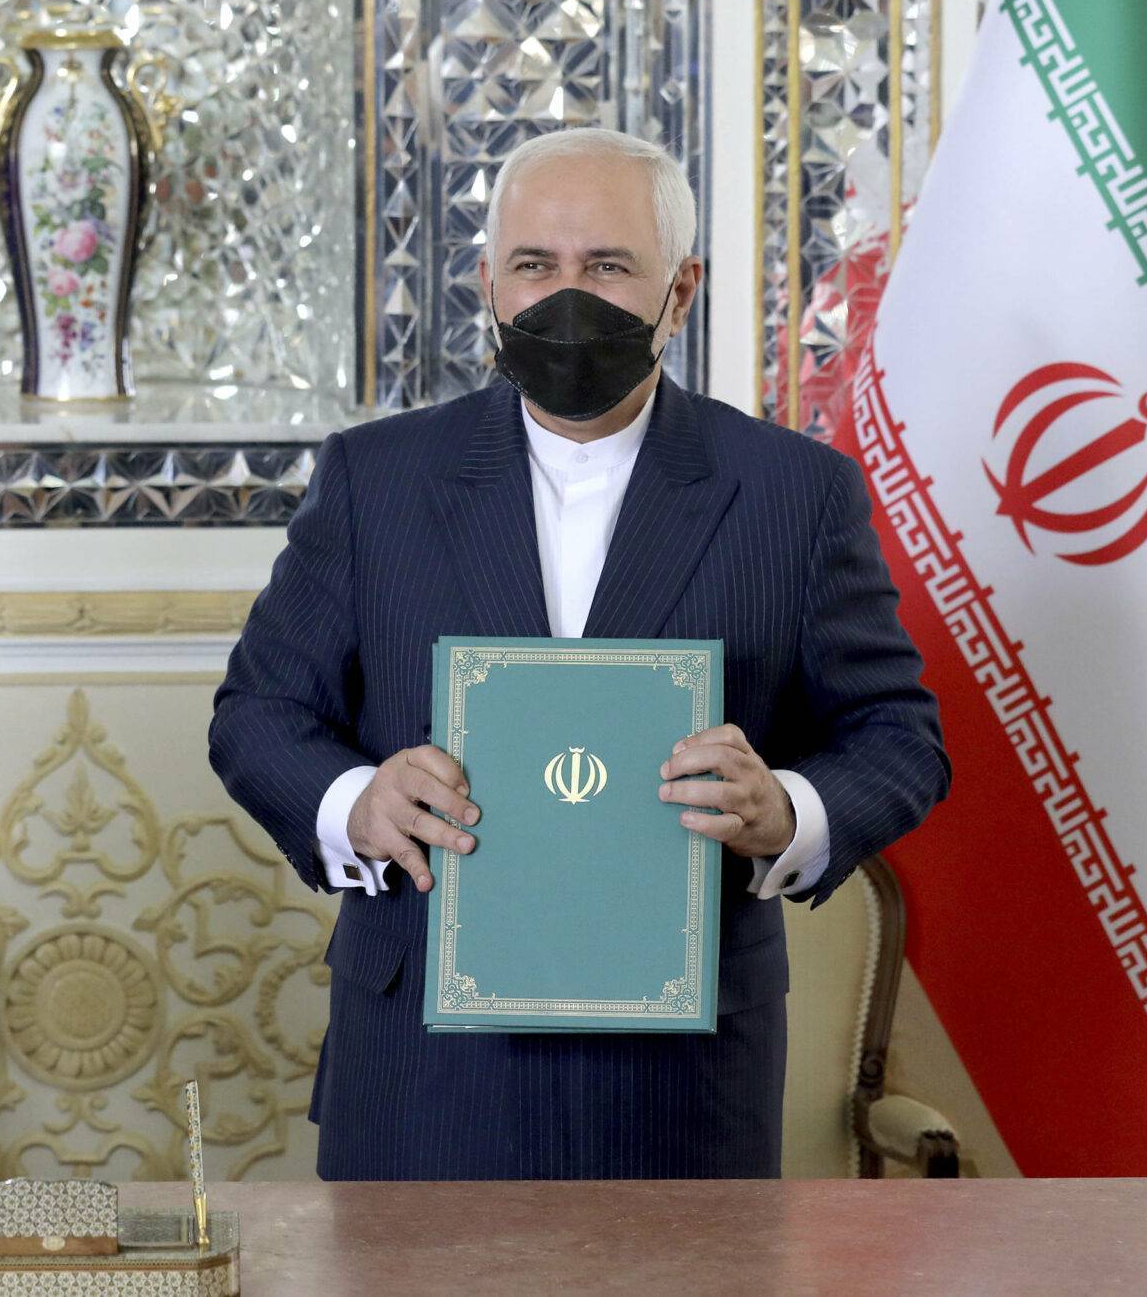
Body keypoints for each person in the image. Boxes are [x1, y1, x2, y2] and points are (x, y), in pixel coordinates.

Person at [208, 127, 948, 1179]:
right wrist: (355, 805)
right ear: (487, 284)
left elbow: (897, 739)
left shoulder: (791, 494)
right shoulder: (377, 481)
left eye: (606, 266)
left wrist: (787, 810)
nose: (568, 297)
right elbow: (258, 714)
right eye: (533, 266)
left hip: (680, 1082)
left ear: (678, 292)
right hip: (419, 1062)